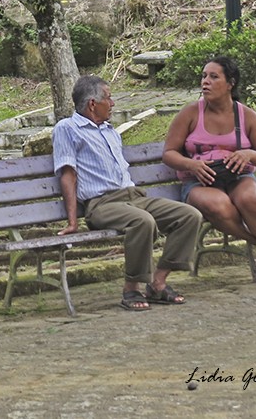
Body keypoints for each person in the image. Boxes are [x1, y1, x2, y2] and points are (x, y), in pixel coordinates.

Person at [53, 75, 203, 311]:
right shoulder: (67, 129)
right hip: (101, 204)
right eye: (109, 98)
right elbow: (68, 174)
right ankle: (131, 289)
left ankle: (158, 282)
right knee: (143, 222)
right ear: (93, 103)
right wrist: (72, 221)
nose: (112, 103)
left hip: (133, 197)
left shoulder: (110, 131)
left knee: (189, 215)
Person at [162, 56, 256, 287]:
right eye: (204, 76)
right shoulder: (190, 113)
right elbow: (169, 153)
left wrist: (249, 154)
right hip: (200, 182)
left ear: (230, 83)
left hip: (238, 177)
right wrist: (192, 165)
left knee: (251, 198)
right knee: (218, 205)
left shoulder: (247, 116)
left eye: (214, 77)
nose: (206, 82)